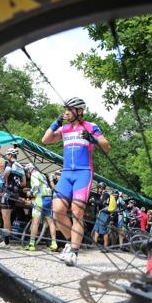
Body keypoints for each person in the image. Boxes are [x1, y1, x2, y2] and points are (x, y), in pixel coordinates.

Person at [42, 97, 111, 266]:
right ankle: (70, 241)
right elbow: (46, 140)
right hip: (66, 174)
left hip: (83, 173)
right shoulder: (64, 129)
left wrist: (92, 138)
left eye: (70, 109)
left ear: (79, 111)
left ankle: (74, 251)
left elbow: (107, 146)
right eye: (65, 109)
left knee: (76, 211)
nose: (66, 112)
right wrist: (56, 122)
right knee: (57, 210)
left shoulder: (91, 126)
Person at [23, 163, 57, 251]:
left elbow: (36, 185)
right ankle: (54, 243)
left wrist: (30, 192)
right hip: (48, 199)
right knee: (50, 222)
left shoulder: (34, 174)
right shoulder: (42, 175)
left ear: (29, 170)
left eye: (27, 172)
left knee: (35, 222)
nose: (27, 174)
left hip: (40, 199)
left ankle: (31, 244)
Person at [1, 148, 26, 244]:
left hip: (7, 193)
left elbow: (6, 173)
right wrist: (16, 184)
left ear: (10, 155)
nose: (7, 156)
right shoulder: (21, 166)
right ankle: (7, 238)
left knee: (6, 218)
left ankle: (6, 241)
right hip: (15, 193)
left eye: (7, 155)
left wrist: (3, 179)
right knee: (9, 217)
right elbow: (23, 183)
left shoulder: (9, 163)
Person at [92, 182, 111, 247]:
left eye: (99, 188)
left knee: (103, 230)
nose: (98, 189)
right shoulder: (102, 194)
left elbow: (101, 203)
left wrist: (93, 200)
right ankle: (94, 244)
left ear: (102, 187)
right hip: (101, 213)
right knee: (96, 228)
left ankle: (105, 246)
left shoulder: (106, 194)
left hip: (105, 214)